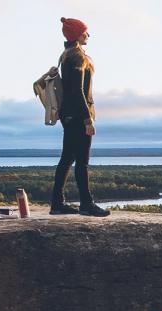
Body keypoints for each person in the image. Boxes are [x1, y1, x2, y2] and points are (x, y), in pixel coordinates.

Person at [52, 17, 108, 216]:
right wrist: (87, 119)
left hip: (68, 115)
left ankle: (57, 204)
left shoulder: (66, 55)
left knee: (67, 159)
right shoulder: (78, 57)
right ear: (77, 34)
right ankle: (86, 204)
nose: (88, 35)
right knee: (82, 161)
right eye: (85, 31)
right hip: (78, 116)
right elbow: (77, 91)